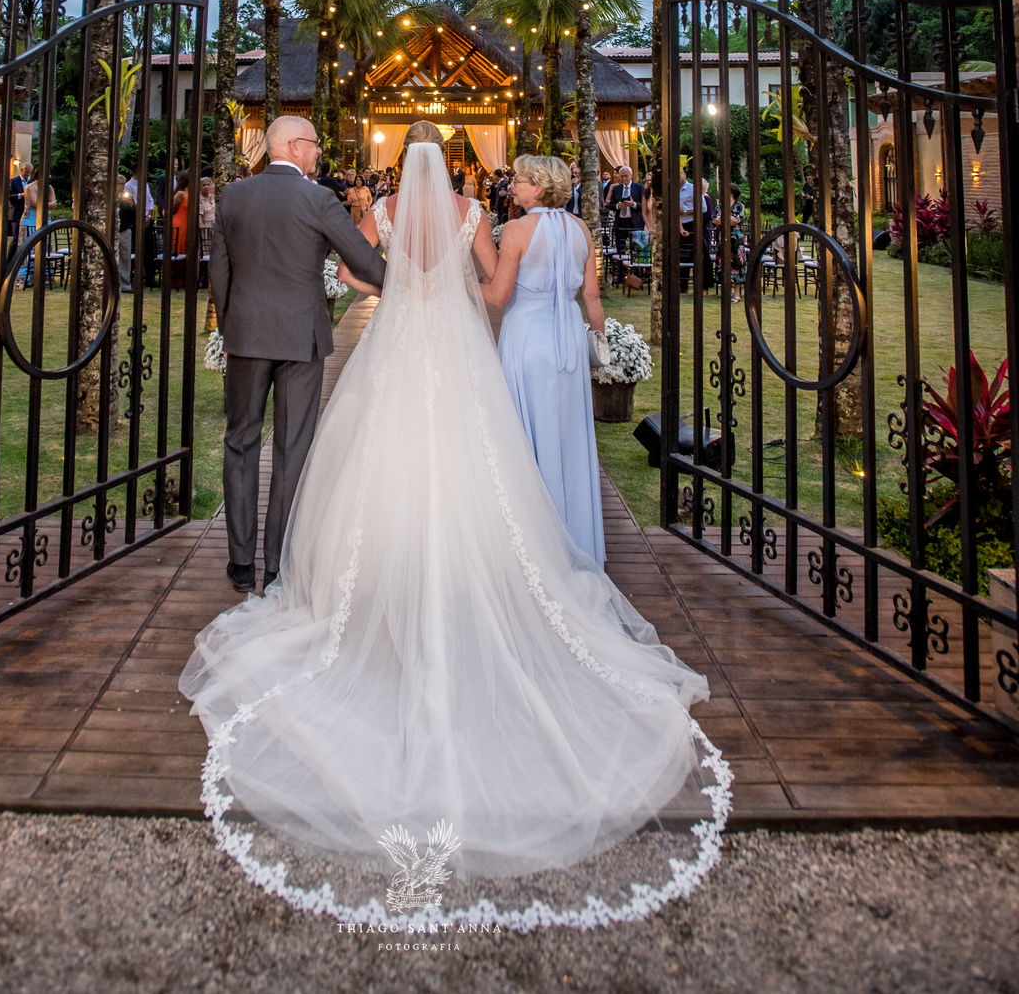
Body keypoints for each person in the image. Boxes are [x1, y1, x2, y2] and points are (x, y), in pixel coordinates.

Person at [180, 121, 725, 922]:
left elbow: (355, 270)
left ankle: (335, 575)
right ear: (453, 166)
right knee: (477, 462)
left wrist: (396, 287)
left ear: (404, 162)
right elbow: (487, 283)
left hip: (396, 344)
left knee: (367, 454)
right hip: (454, 346)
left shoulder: (389, 208)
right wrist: (454, 297)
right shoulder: (472, 212)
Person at [205, 115, 386, 593]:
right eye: (314, 144)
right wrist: (413, 281)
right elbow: (364, 260)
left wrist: (231, 328)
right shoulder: (318, 199)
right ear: (291, 145)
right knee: (291, 448)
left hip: (245, 335)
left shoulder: (233, 196)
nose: (318, 152)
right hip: (301, 339)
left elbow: (218, 272)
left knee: (240, 441)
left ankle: (240, 563)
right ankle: (277, 561)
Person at [486, 154, 607, 564]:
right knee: (567, 432)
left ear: (537, 187)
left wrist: (457, 284)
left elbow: (499, 296)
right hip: (570, 339)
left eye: (518, 181)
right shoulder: (580, 229)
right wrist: (600, 346)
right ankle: (571, 534)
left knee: (524, 432)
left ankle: (531, 542)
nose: (511, 187)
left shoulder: (518, 229)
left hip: (528, 339)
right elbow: (591, 298)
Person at [116, 175, 135, 292]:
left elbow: (133, 214)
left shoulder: (128, 198)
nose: (120, 186)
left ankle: (125, 285)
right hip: (112, 230)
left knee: (125, 258)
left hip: (124, 230)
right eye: (118, 184)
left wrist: (131, 205)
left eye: (122, 184)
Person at [6, 161, 29, 260]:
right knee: (16, 237)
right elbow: (9, 196)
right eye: (26, 172)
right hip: (16, 212)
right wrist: (21, 195)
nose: (27, 175)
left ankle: (22, 259)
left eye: (29, 173)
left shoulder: (31, 183)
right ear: (21, 170)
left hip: (27, 213)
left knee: (26, 238)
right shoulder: (13, 181)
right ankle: (9, 260)